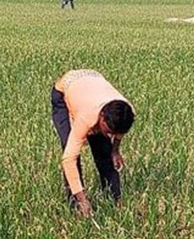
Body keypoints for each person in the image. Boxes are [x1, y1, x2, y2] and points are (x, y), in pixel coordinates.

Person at [51, 69, 135, 217]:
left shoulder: (127, 112)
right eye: (108, 130)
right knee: (71, 151)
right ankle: (76, 204)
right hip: (65, 90)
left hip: (92, 83)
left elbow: (119, 131)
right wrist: (83, 199)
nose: (111, 135)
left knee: (105, 153)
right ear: (102, 116)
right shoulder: (86, 117)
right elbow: (68, 159)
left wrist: (115, 151)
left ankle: (114, 202)